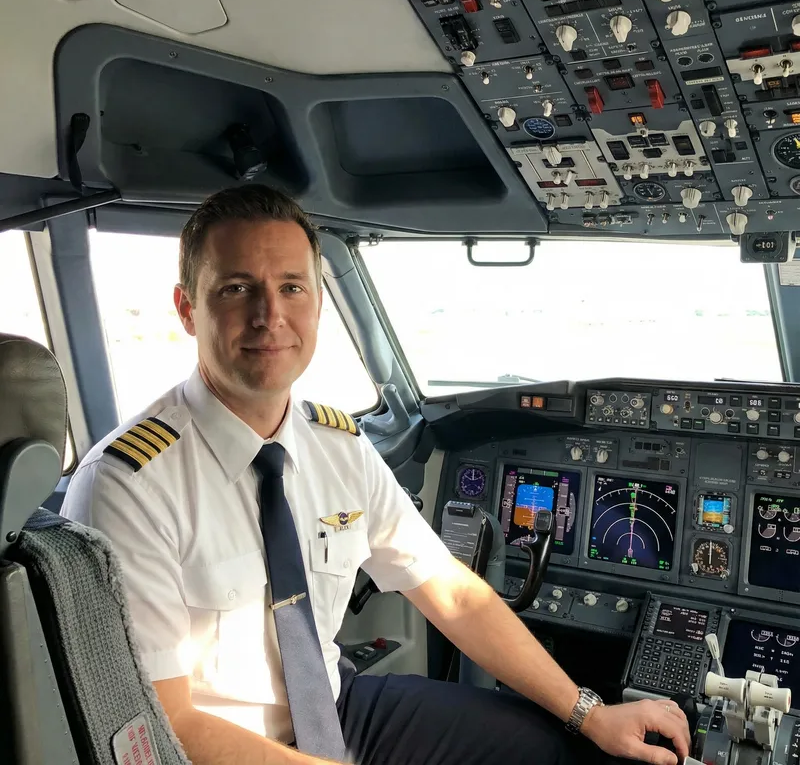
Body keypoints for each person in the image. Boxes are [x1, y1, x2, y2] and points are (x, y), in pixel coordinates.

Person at [60, 184, 692, 765]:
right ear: (186, 308)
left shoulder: (338, 446)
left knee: (571, 752)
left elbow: (450, 590)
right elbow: (167, 722)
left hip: (341, 713)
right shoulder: (127, 485)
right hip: (222, 748)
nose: (269, 314)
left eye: (292, 287)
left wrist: (590, 712)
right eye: (235, 289)